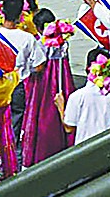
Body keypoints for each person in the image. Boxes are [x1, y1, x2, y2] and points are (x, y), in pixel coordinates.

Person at [17, 10, 71, 170]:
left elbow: (37, 66)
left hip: (44, 83)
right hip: (62, 79)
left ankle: (40, 153)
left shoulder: (40, 43)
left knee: (40, 116)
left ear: (39, 28)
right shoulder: (64, 40)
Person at [62, 49, 110, 143]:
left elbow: (69, 128)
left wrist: (60, 107)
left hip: (85, 149)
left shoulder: (77, 96)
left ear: (87, 68)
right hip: (109, 147)